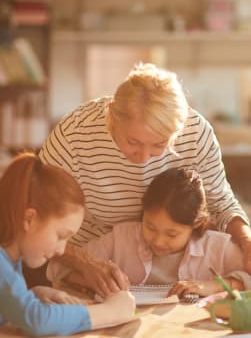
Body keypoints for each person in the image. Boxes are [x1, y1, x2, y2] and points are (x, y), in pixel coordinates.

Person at [39, 62, 251, 296]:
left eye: (159, 145)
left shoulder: (196, 133)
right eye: (133, 142)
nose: (143, 158)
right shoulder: (74, 135)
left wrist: (246, 240)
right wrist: (83, 261)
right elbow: (36, 216)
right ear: (112, 117)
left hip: (164, 272)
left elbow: (221, 203)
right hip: (88, 261)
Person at [47, 168, 251, 298]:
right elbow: (56, 267)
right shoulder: (121, 239)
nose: (158, 241)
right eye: (150, 227)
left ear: (196, 225)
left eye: (172, 234)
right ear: (142, 213)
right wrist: (91, 281)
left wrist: (214, 286)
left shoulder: (217, 247)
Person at [0, 153, 135, 336]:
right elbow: (36, 320)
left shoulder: (10, 257)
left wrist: (32, 295)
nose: (62, 250)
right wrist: (110, 312)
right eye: (61, 235)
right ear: (29, 219)